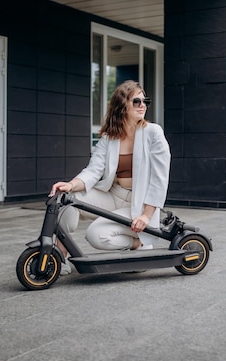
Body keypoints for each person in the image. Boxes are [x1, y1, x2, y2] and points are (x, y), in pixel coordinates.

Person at [48, 80, 171, 275]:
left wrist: (146, 215)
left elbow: (159, 178)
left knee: (95, 235)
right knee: (66, 199)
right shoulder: (109, 137)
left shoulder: (153, 132)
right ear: (122, 105)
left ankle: (137, 244)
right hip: (113, 195)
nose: (142, 105)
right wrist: (70, 185)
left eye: (145, 101)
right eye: (136, 101)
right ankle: (60, 253)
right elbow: (93, 170)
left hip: (138, 203)